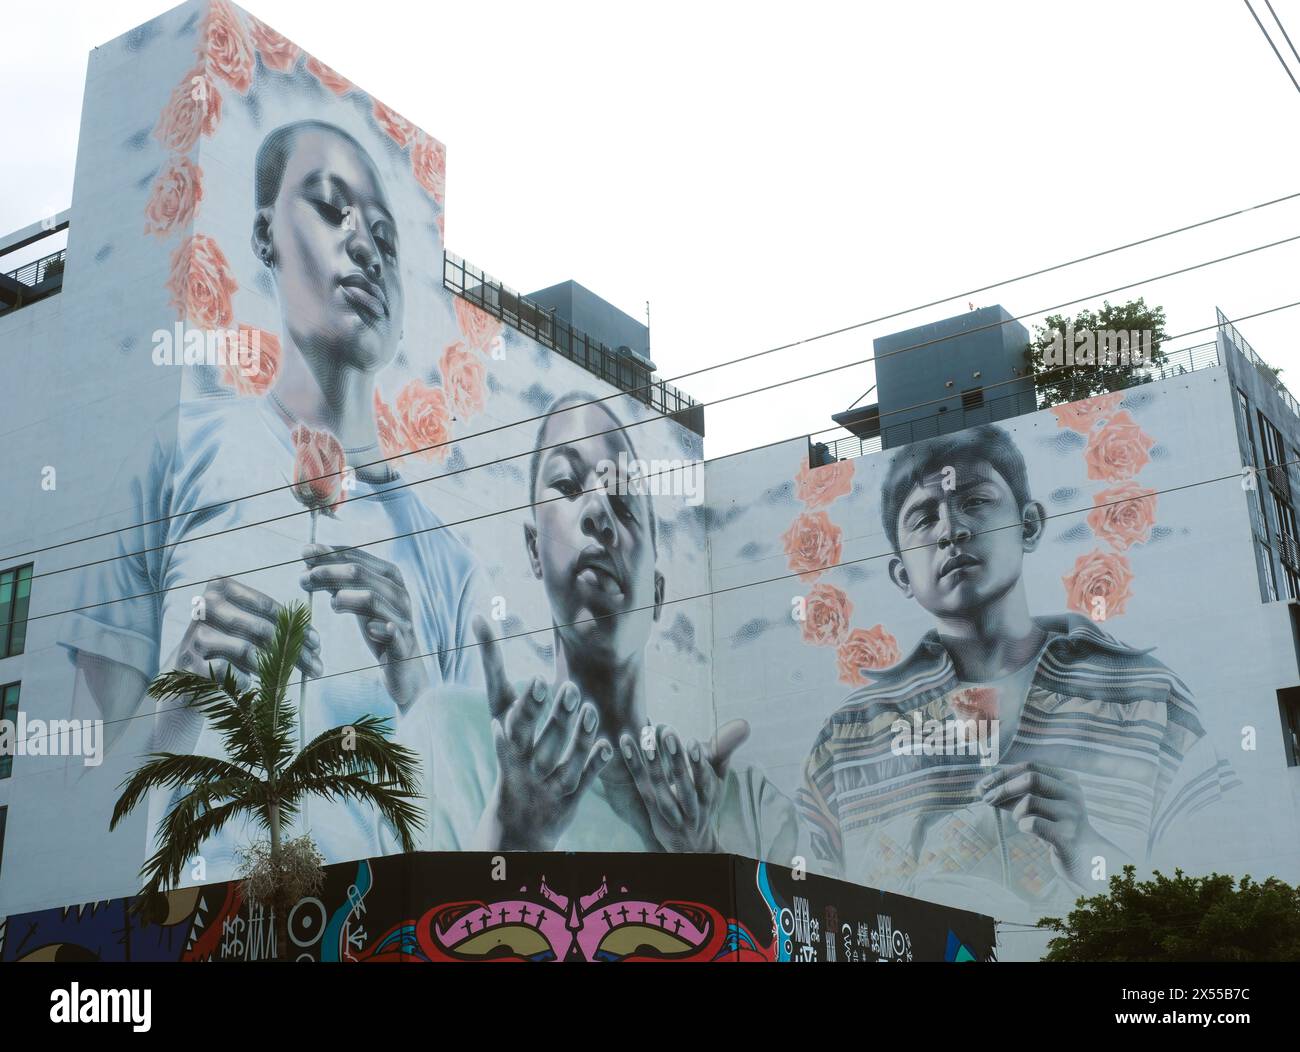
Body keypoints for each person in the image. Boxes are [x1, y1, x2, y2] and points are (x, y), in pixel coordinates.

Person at [60, 120, 483, 874]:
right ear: (263, 234)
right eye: (328, 207)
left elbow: (484, 842)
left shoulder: (444, 558)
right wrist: (182, 696)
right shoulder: (178, 456)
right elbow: (69, 810)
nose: (366, 248)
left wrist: (413, 678)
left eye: (387, 238)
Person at [799, 424, 1239, 916]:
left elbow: (1220, 894)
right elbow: (805, 908)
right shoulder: (848, 735)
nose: (951, 530)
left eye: (977, 502)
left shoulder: (1148, 697)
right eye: (923, 519)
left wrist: (1083, 845)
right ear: (903, 574)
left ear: (1029, 525)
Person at [429, 392, 797, 862]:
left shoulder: (745, 801)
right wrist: (510, 830)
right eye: (567, 484)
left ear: (658, 593)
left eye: (624, 506)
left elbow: (799, 932)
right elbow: (407, 929)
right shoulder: (451, 738)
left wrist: (702, 854)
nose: (599, 513)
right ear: (532, 548)